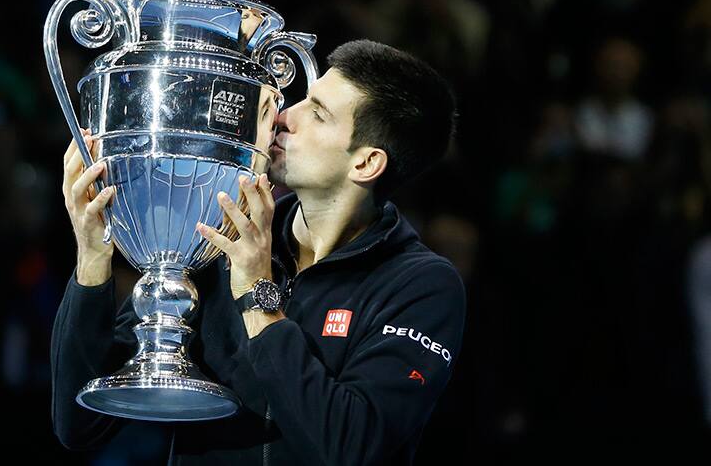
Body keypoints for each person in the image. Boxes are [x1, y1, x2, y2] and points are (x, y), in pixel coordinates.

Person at [51, 39, 466, 465]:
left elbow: (352, 445)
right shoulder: (219, 233)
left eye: (318, 114)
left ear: (365, 164)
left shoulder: (420, 286)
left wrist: (257, 294)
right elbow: (80, 425)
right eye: (302, 100)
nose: (285, 117)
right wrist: (92, 256)